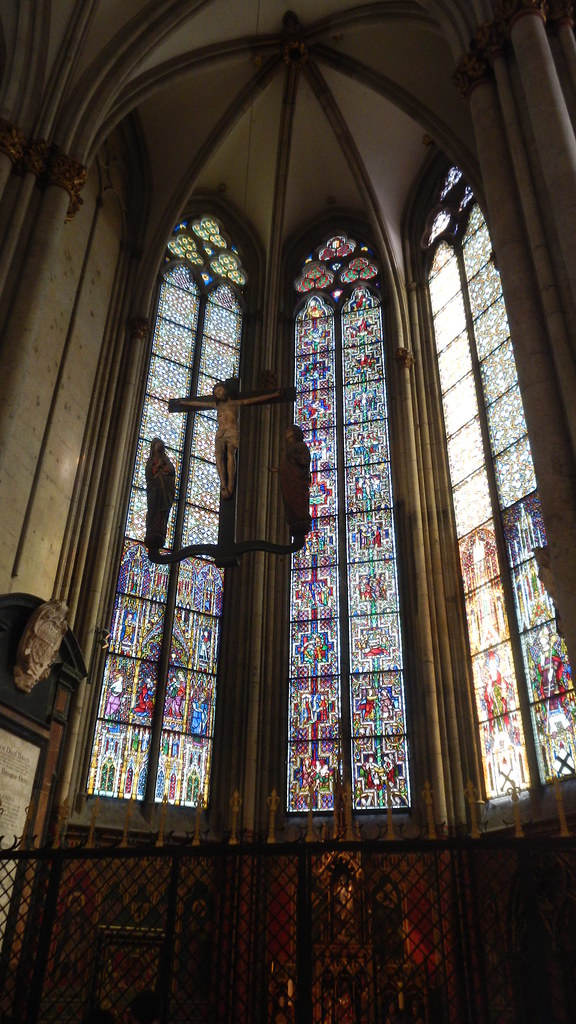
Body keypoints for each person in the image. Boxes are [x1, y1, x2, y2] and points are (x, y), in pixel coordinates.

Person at [169, 380, 283, 499]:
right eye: (216, 393)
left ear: (226, 391)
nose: (218, 394)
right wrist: (183, 402)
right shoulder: (217, 405)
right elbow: (198, 403)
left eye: (220, 390)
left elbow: (256, 399)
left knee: (230, 453)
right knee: (218, 455)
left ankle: (231, 483)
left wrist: (274, 395)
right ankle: (223, 481)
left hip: (232, 430)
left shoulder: (235, 403)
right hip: (220, 433)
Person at [279, 425, 312, 538]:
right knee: (290, 502)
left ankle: (301, 519)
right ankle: (294, 519)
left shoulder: (301, 447)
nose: (289, 441)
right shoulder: (291, 449)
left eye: (291, 438)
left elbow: (304, 461)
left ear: (297, 436)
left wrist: (294, 459)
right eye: (288, 439)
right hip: (289, 483)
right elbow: (287, 467)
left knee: (299, 501)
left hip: (298, 482)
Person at [144, 437, 176, 549]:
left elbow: (171, 471)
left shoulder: (166, 461)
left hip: (165, 493)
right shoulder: (151, 461)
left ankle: (161, 531)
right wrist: (157, 468)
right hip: (154, 492)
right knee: (154, 510)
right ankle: (151, 530)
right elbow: (149, 473)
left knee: (163, 514)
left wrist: (164, 470)